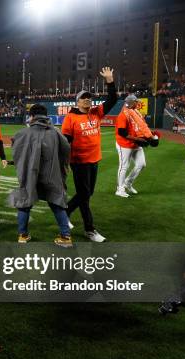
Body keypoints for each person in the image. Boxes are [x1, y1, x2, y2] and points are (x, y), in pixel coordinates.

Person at [61, 67, 117, 243]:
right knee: (84, 195)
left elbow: (113, 99)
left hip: (94, 159)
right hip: (79, 162)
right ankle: (89, 229)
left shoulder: (96, 112)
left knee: (87, 192)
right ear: (77, 102)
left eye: (89, 97)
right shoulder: (70, 118)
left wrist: (110, 80)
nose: (87, 100)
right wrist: (64, 162)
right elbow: (66, 142)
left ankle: (66, 211)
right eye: (84, 98)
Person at [8, 103, 71, 246]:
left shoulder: (23, 133)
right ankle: (66, 237)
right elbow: (66, 149)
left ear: (31, 116)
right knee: (56, 203)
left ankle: (23, 236)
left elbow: (16, 150)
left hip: (30, 174)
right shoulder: (55, 132)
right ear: (46, 115)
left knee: (25, 203)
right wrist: (62, 166)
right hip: (52, 174)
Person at [114, 94, 157, 198]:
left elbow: (142, 126)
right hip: (124, 144)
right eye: (135, 101)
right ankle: (120, 189)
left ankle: (127, 183)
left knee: (141, 164)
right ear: (130, 102)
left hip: (136, 143)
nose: (137, 103)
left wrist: (150, 135)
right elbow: (122, 133)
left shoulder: (136, 112)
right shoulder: (123, 115)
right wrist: (139, 140)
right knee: (124, 166)